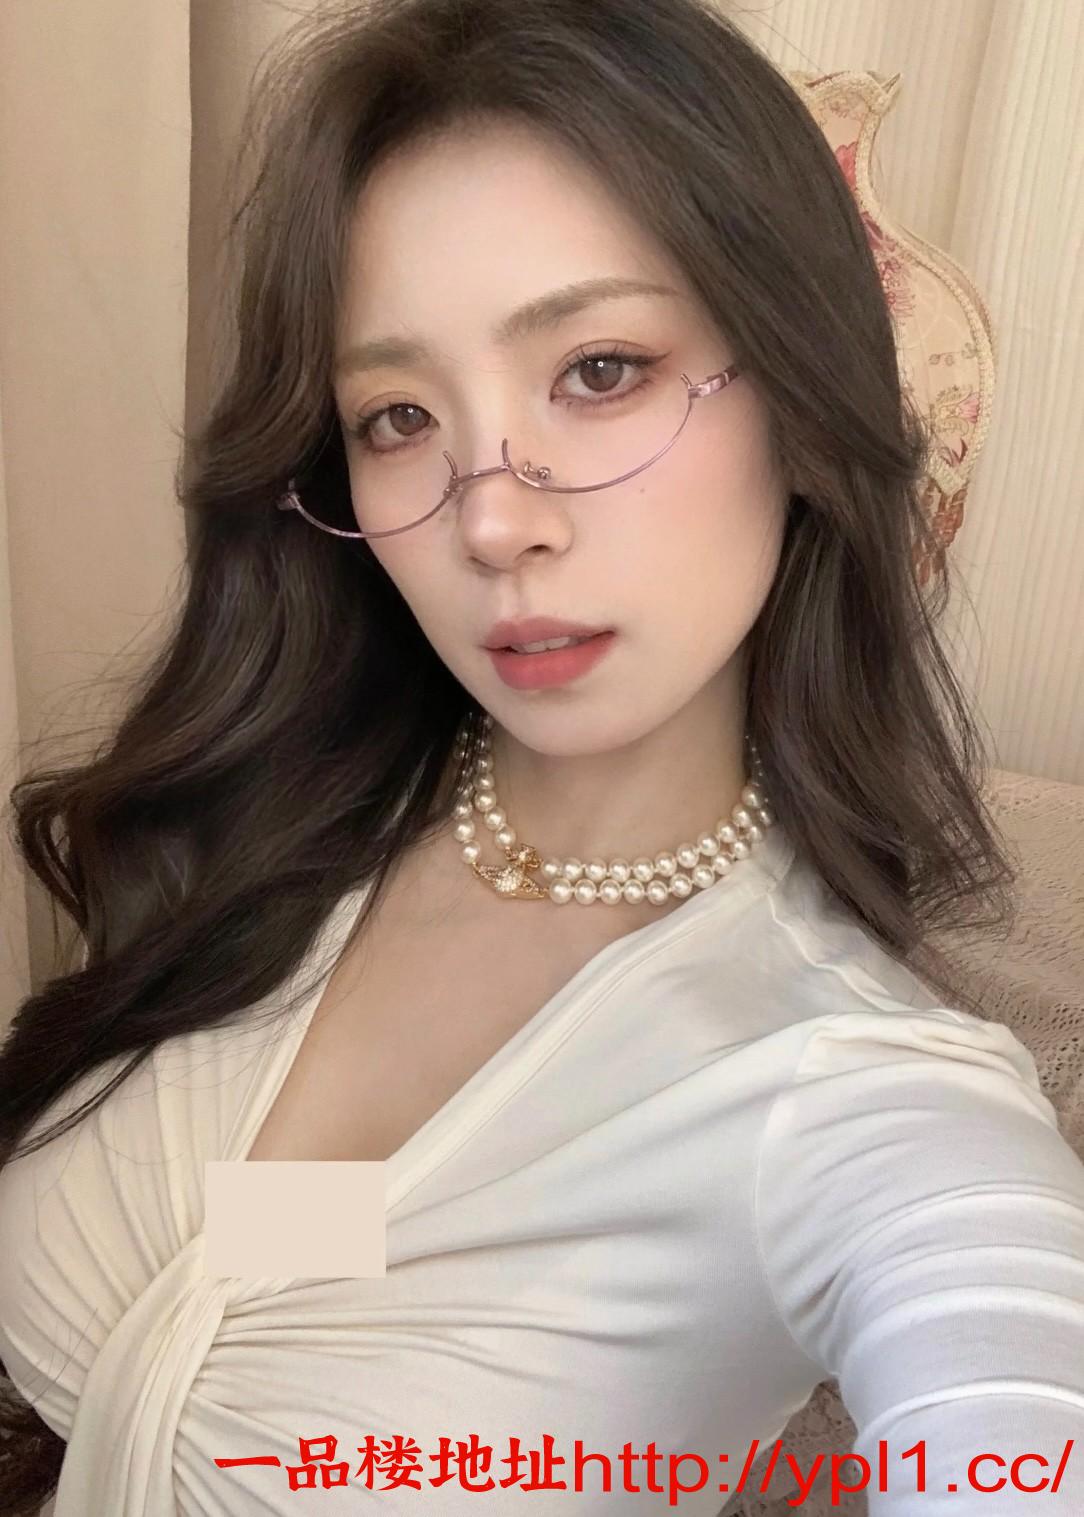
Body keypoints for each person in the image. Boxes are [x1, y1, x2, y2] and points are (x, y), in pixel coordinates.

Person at [2, 0, 1083, 1512]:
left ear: (799, 390)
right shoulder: (285, 824)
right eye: (398, 414)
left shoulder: (855, 1099)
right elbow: (295, 1245)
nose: (492, 517)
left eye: (598, 369)